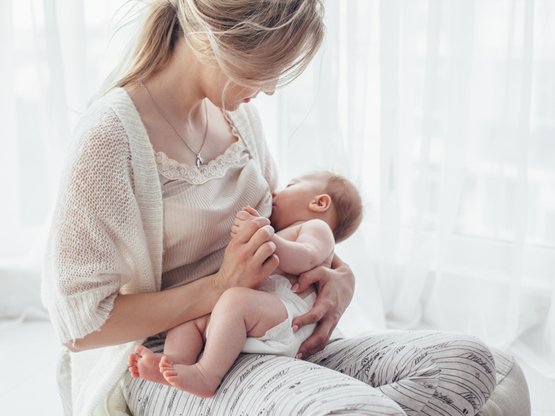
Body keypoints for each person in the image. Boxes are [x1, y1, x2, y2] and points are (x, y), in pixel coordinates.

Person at [41, 1, 497, 415]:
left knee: (468, 362)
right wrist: (220, 288)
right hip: (182, 356)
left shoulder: (237, 115)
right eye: (268, 67)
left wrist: (340, 277)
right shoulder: (110, 138)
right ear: (221, 40)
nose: (272, 88)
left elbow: (286, 225)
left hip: (273, 330)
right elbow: (80, 328)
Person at [127, 170, 363, 397]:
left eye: (289, 185)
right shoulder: (287, 230)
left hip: (290, 316)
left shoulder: (317, 229)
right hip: (258, 316)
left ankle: (206, 375)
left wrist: (266, 237)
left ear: (319, 203)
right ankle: (175, 361)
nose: (274, 193)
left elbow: (306, 257)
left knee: (234, 300)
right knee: (191, 316)